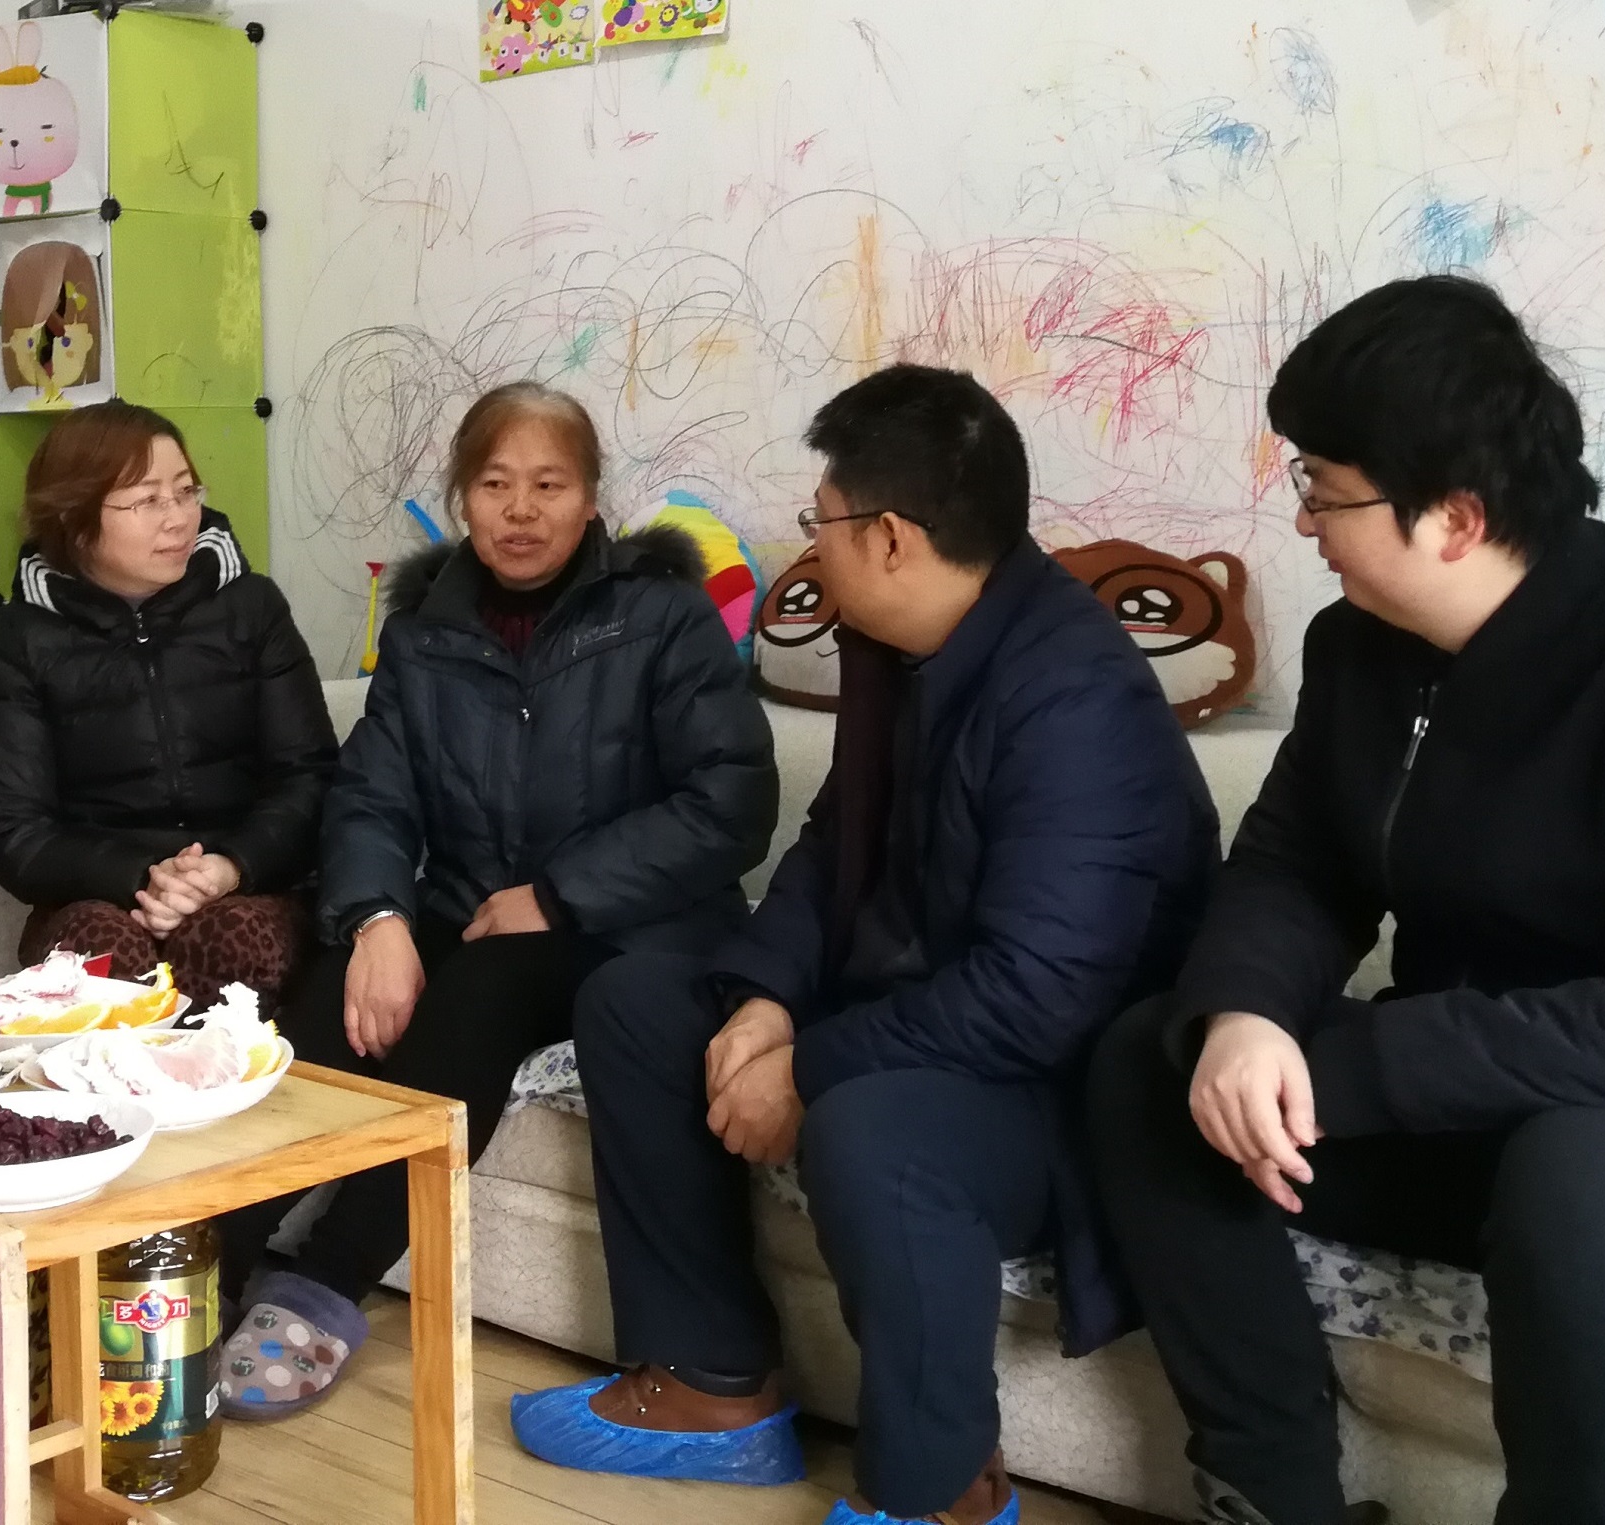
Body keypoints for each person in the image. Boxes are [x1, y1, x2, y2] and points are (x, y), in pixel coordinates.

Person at [1087, 276, 1605, 1525]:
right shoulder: (1361, 648)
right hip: (1506, 1109)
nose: (1303, 519)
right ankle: (1271, 1495)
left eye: (1323, 487)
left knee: (1586, 1176)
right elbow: (1297, 862)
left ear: (1455, 518)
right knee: (1156, 1064)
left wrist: (1349, 1070)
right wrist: (1246, 1016)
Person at [510, 364, 1221, 1525]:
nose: (813, 545)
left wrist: (810, 1065)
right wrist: (765, 999)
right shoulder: (901, 644)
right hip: (917, 1015)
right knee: (638, 1004)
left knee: (872, 1128)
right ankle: (710, 1386)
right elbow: (830, 846)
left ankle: (941, 1491)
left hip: (1063, 1085)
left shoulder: (1074, 696)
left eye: (822, 520)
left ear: (889, 538)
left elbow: (1037, 996)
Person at [213, 381, 778, 1420]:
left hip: (631, 928)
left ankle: (324, 1285)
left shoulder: (660, 616)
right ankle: (212, 1259)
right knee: (333, 997)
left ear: (591, 498)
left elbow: (729, 805)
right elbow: (373, 795)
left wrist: (558, 894)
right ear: (463, 497)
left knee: (476, 994)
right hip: (472, 904)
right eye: (495, 484)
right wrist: (379, 919)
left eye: (548, 486)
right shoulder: (426, 631)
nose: (520, 511)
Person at [0, 401, 336, 1010]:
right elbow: (9, 825)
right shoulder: (22, 636)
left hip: (250, 879)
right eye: (147, 501)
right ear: (73, 515)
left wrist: (230, 867)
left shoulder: (251, 607)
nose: (179, 518)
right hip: (97, 890)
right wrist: (142, 878)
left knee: (229, 941)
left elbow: (309, 775)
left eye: (186, 492)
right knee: (102, 956)